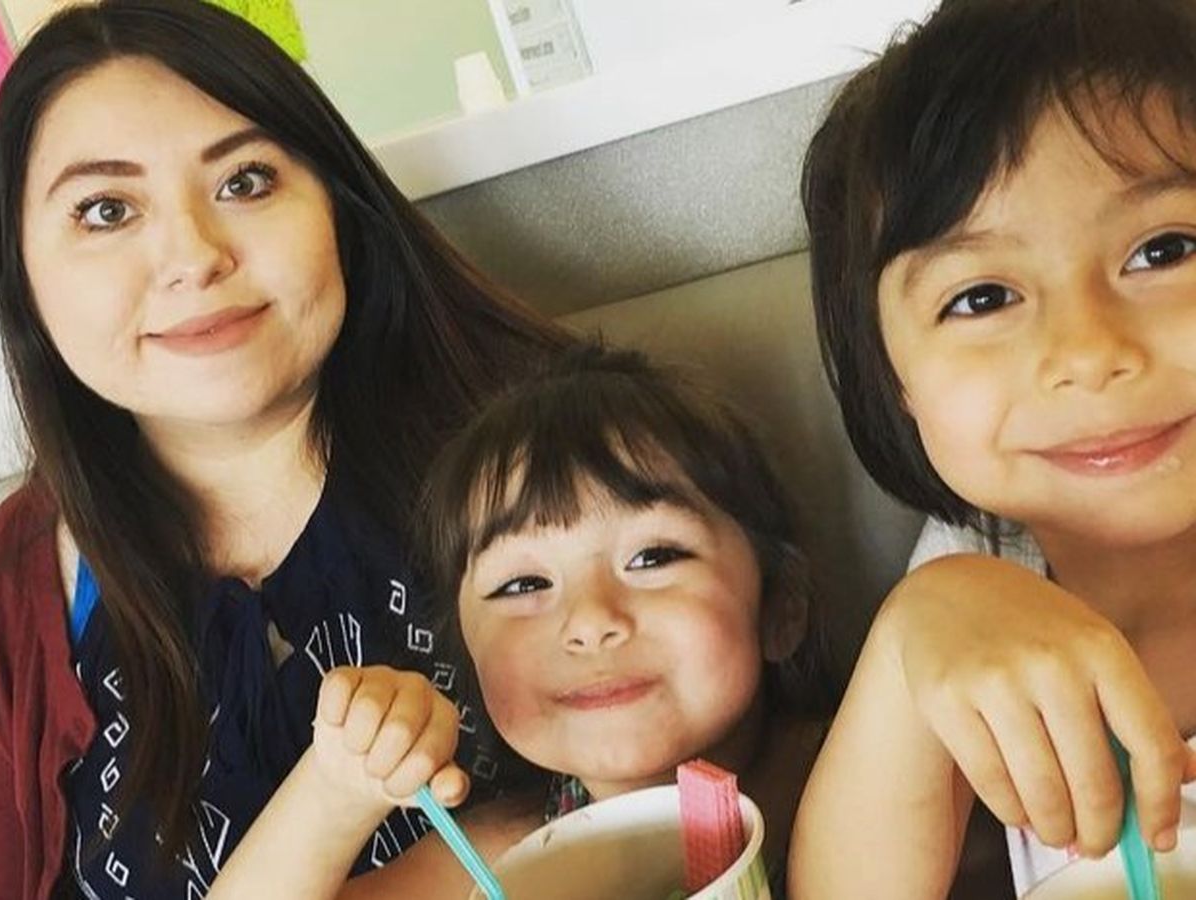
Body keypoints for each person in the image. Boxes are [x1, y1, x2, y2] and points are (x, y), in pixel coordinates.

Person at [0, 0, 572, 897]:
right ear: (22, 274)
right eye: (106, 210)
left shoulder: (557, 457)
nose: (194, 256)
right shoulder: (15, 601)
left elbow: (702, 781)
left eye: (246, 181)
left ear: (337, 205)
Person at [789, 0, 1196, 897]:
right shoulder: (973, 575)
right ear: (894, 380)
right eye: (981, 299)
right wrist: (913, 634)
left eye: (1165, 249)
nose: (1087, 353)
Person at [412, 345, 833, 896]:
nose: (591, 621)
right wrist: (338, 792)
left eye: (653, 557)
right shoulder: (501, 857)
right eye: (523, 585)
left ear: (781, 608)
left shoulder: (858, 771)